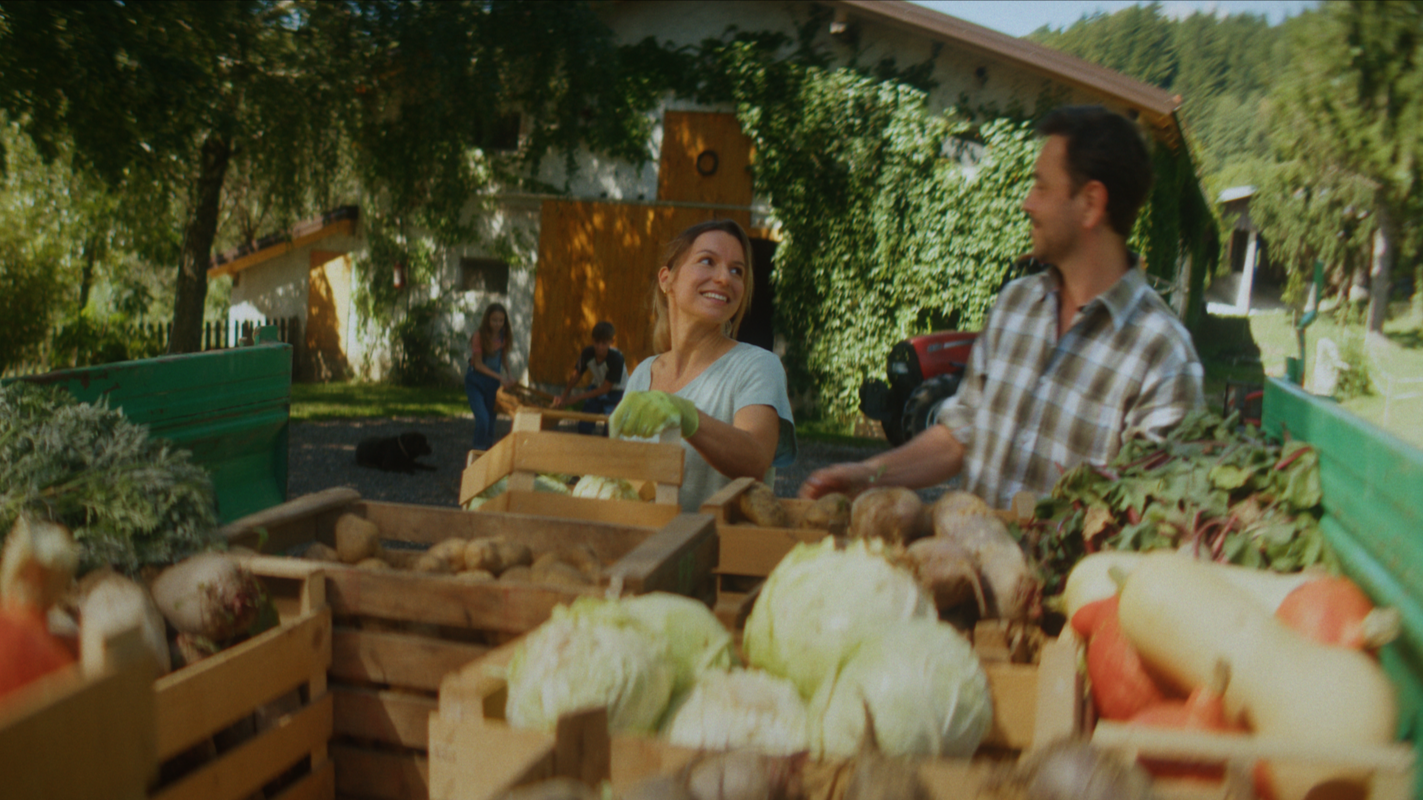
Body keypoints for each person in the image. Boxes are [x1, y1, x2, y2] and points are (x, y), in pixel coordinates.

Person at [802, 105, 1204, 509]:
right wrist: (867, 475)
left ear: (1091, 204)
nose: (1027, 203)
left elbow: (1151, 518)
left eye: (1042, 187)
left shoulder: (1162, 354)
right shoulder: (1016, 305)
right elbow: (961, 432)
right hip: (965, 568)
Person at [610, 219, 796, 512]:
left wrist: (688, 416)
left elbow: (757, 461)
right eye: (707, 261)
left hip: (717, 553)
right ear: (666, 279)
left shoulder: (757, 366)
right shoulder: (644, 373)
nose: (724, 278)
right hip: (641, 549)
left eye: (737, 270)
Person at [553, 320, 627, 435]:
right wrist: (563, 396)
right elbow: (575, 376)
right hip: (597, 386)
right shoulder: (587, 353)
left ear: (611, 342)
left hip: (617, 392)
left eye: (604, 343)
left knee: (610, 431)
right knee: (584, 426)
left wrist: (578, 397)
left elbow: (606, 389)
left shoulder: (617, 358)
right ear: (592, 340)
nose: (599, 347)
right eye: (596, 342)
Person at [465, 303, 515, 451]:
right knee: (483, 420)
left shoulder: (503, 335)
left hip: (492, 384)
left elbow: (503, 358)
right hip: (475, 381)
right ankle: (478, 452)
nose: (497, 324)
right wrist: (500, 377)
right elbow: (479, 365)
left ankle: (487, 455)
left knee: (491, 424)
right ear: (487, 320)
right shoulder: (479, 336)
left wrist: (510, 375)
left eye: (501, 320)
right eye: (494, 320)